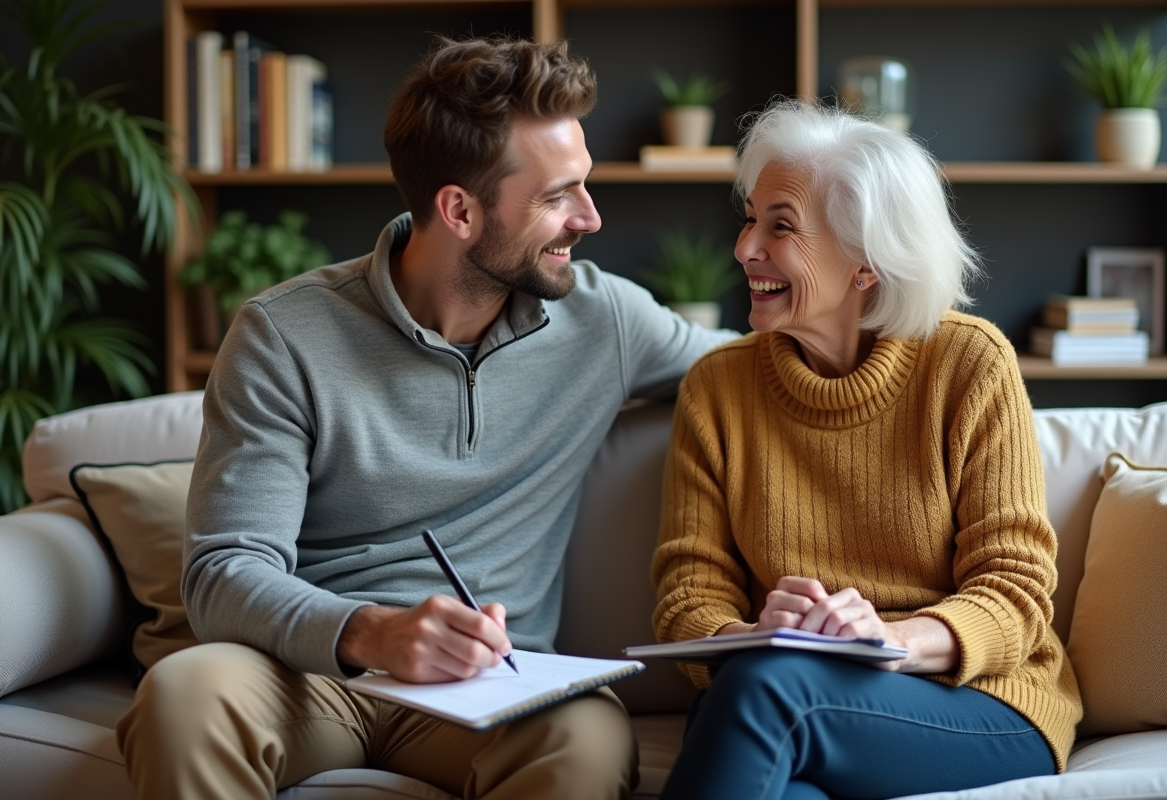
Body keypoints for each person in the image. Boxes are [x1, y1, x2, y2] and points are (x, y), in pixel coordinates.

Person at [115, 36, 732, 800]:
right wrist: (372, 632)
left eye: (586, 185)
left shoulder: (605, 321)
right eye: (558, 196)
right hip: (307, 674)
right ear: (459, 210)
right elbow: (224, 573)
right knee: (183, 698)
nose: (590, 217)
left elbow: (758, 366)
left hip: (496, 683)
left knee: (585, 734)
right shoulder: (284, 336)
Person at [651, 100, 1083, 800]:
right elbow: (687, 594)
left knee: (763, 693)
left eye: (780, 226)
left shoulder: (969, 364)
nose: (745, 248)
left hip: (981, 701)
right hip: (785, 697)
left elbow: (1016, 591)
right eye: (750, 219)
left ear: (865, 263)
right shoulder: (717, 389)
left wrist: (887, 640)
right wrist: (748, 632)